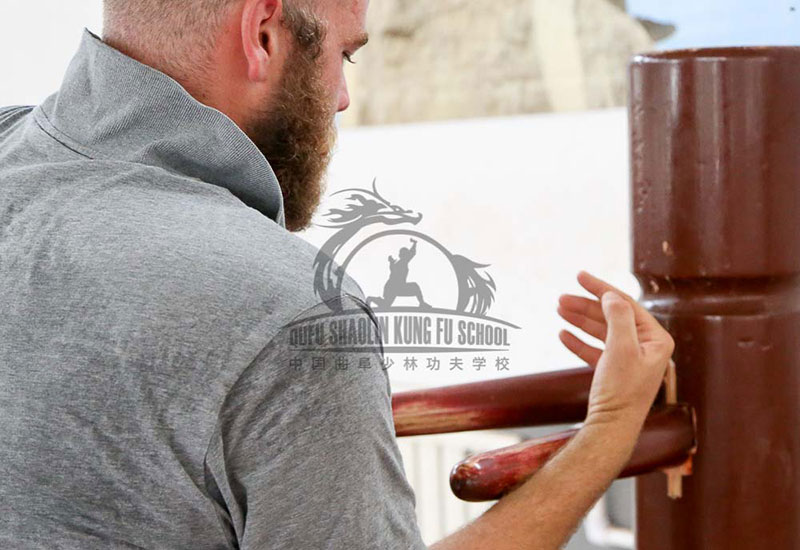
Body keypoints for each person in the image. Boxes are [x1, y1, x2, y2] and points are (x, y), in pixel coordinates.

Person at [0, 0, 675, 548]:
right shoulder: (284, 307)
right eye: (344, 55)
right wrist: (609, 432)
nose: (344, 97)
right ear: (264, 33)